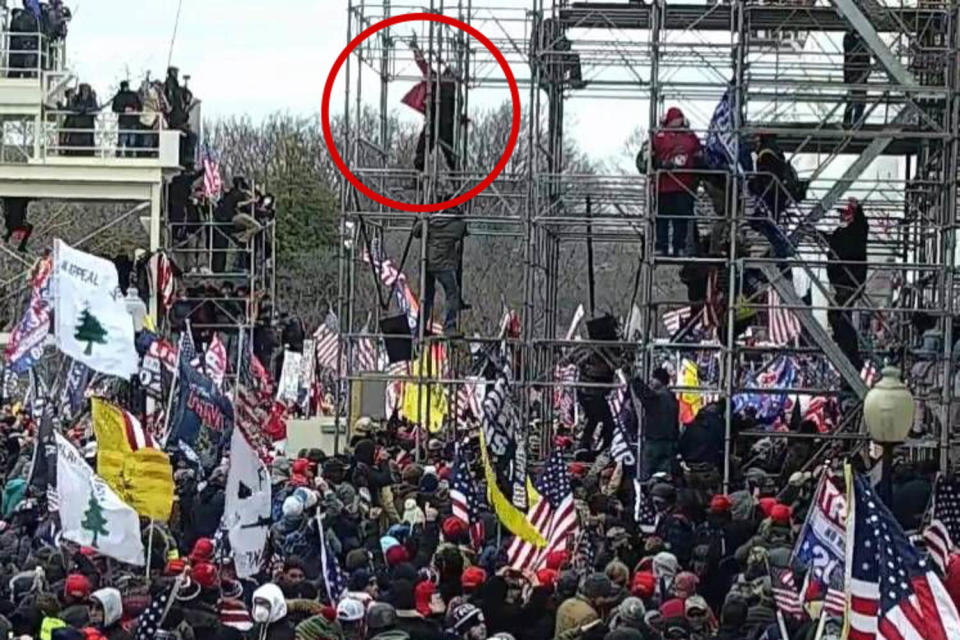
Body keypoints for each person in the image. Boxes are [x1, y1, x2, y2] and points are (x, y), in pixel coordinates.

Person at [823, 197, 868, 373]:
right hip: (844, 284)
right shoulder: (846, 232)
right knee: (838, 316)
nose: (842, 217)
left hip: (849, 283)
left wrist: (859, 209)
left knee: (839, 316)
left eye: (844, 213)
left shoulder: (857, 230)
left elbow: (861, 227)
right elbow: (834, 240)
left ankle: (851, 354)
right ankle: (848, 351)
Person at [403, 33, 460, 173]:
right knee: (447, 156)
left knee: (426, 152)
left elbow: (423, 65)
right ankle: (455, 180)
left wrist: (415, 49)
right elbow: (423, 65)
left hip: (437, 123)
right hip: (442, 124)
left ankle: (421, 177)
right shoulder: (451, 89)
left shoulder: (439, 83)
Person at [651, 106, 701, 257]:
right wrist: (660, 163)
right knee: (662, 218)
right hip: (664, 185)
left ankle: (679, 246)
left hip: (684, 185)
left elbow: (698, 152)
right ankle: (661, 246)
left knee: (681, 218)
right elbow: (650, 157)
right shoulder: (659, 136)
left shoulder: (690, 136)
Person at [412, 209, 468, 336]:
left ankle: (420, 328)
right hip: (444, 265)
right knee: (452, 293)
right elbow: (464, 229)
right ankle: (449, 326)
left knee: (426, 297)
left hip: (427, 262)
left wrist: (422, 217)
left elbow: (415, 232)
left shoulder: (429, 222)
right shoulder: (456, 225)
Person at [633, 368, 680, 478]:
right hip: (669, 444)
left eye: (653, 378)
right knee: (664, 476)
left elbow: (643, 394)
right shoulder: (672, 399)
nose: (650, 381)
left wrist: (634, 379)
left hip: (654, 443)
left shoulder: (658, 398)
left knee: (647, 476)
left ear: (660, 380)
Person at [843, 29, 872, 127]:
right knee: (858, 101)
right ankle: (855, 123)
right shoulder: (852, 40)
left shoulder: (850, 39)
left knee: (854, 100)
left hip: (855, 73)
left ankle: (851, 122)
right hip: (857, 73)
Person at [110, 81, 141, 157]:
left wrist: (135, 110)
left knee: (131, 139)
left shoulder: (131, 95)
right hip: (125, 121)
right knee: (123, 139)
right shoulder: (122, 96)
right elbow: (114, 108)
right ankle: (120, 153)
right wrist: (124, 110)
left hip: (131, 120)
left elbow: (140, 106)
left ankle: (128, 154)